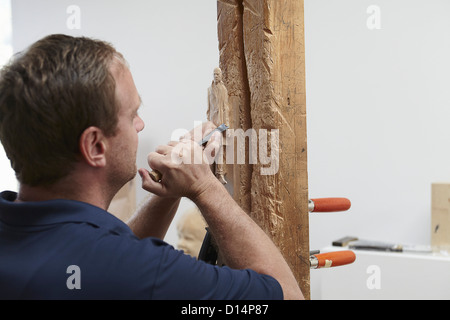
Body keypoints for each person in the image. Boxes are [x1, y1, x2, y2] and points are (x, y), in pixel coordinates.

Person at [0, 34, 303, 300]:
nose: (140, 125)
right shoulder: (146, 273)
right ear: (94, 146)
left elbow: (107, 255)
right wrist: (204, 187)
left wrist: (170, 191)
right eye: (132, 115)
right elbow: (288, 296)